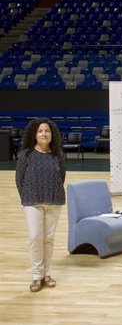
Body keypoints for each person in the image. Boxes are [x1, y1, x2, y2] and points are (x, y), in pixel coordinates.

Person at [15, 118, 66, 293]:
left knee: (49, 239)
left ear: (52, 134)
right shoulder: (26, 154)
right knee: (36, 237)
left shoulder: (58, 154)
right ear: (34, 135)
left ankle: (47, 274)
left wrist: (52, 191)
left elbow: (62, 177)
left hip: (54, 200)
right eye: (40, 131)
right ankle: (36, 275)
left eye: (47, 131)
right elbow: (19, 179)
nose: (44, 134)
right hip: (32, 201)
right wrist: (26, 198)